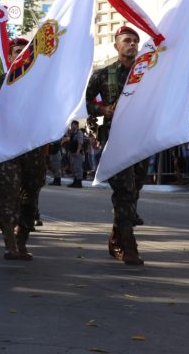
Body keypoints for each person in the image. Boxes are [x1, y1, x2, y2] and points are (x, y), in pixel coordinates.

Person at [0, 37, 46, 261]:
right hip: (6, 148)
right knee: (9, 192)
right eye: (17, 51)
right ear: (10, 56)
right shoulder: (0, 83)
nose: (21, 55)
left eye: (26, 52)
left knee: (30, 195)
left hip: (33, 148)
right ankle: (9, 242)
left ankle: (22, 240)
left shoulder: (42, 85)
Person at [85, 25, 147, 265]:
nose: (131, 44)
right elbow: (84, 101)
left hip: (141, 139)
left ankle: (115, 237)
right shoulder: (104, 74)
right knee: (124, 192)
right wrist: (102, 109)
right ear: (116, 45)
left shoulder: (146, 72)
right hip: (116, 139)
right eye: (126, 40)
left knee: (134, 192)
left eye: (134, 41)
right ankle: (129, 247)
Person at [64, 120, 84, 188]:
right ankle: (75, 182)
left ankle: (79, 183)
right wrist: (69, 152)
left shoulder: (79, 132)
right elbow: (71, 143)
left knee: (78, 168)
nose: (72, 126)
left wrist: (78, 151)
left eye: (73, 124)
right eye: (71, 124)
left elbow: (80, 142)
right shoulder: (72, 133)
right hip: (72, 153)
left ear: (77, 125)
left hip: (77, 153)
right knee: (73, 168)